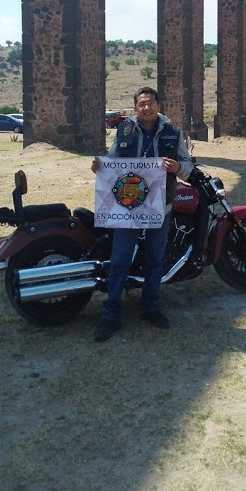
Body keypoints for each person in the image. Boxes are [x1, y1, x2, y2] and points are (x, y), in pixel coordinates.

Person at [91, 87, 193, 342]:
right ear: (135, 108)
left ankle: (151, 307)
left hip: (162, 205)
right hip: (128, 207)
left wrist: (179, 167)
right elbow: (112, 159)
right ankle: (111, 314)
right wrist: (100, 165)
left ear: (158, 105)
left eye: (150, 103)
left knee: (155, 259)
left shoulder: (173, 133)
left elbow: (188, 165)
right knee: (120, 258)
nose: (146, 108)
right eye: (141, 104)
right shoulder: (124, 130)